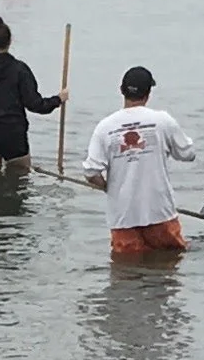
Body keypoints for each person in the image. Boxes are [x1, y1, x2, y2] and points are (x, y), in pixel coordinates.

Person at [83, 67, 197, 256]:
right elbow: (188, 153)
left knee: (125, 275)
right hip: (160, 212)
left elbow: (91, 173)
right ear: (148, 94)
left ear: (121, 91)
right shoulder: (162, 121)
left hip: (123, 217)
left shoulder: (104, 127)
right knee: (168, 270)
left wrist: (108, 187)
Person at [0, 16, 66, 172]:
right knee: (19, 180)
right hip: (13, 133)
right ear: (10, 41)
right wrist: (58, 99)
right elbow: (35, 104)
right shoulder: (19, 70)